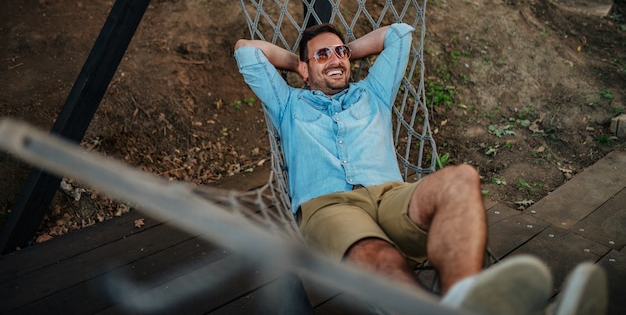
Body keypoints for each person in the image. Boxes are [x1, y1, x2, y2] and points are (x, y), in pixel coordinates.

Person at [234, 23, 607, 315]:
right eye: (323, 55)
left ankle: (461, 299)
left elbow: (398, 35)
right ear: (303, 68)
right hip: (329, 207)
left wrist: (340, 54)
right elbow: (246, 52)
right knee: (382, 258)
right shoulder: (288, 104)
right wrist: (302, 62)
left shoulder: (372, 93)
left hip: (391, 197)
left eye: (341, 52)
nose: (336, 59)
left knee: (462, 178)